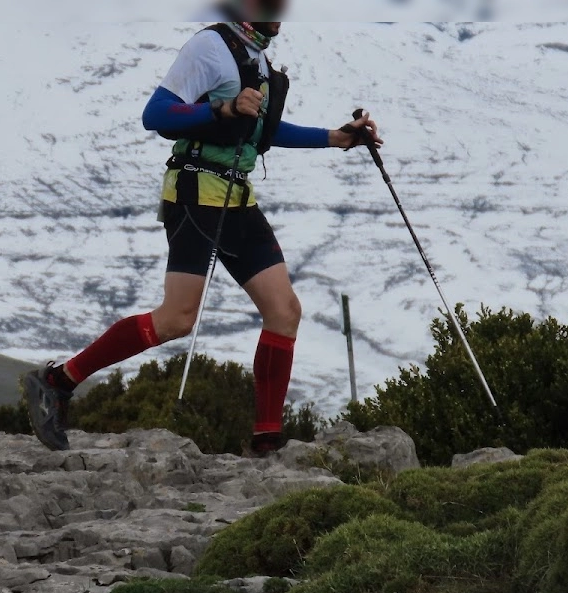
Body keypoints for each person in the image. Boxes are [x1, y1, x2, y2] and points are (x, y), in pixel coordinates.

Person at [23, 0, 383, 455]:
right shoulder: (209, 46)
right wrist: (222, 109)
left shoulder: (258, 59)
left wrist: (336, 137)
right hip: (194, 193)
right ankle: (57, 381)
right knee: (176, 319)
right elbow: (155, 116)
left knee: (284, 311)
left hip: (236, 197)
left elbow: (263, 134)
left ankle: (266, 444)